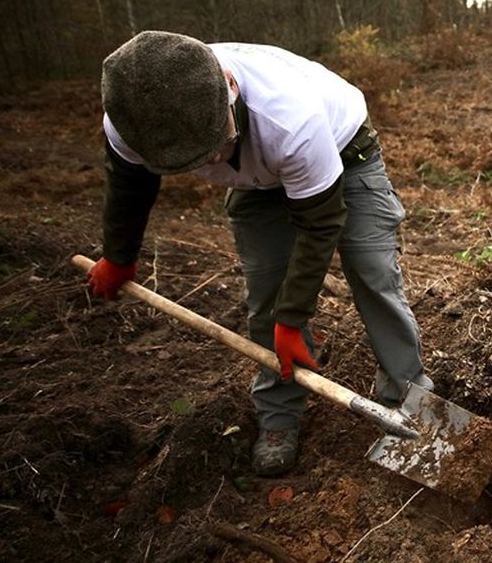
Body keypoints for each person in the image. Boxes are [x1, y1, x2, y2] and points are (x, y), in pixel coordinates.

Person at [85, 31, 433, 477]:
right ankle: (279, 414)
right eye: (198, 158)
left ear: (229, 89)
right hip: (256, 182)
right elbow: (130, 185)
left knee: (372, 274)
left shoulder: (290, 115)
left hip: (344, 154)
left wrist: (294, 318)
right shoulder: (134, 119)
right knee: (266, 293)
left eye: (217, 142)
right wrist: (119, 255)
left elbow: (321, 225)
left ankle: (408, 400)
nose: (213, 158)